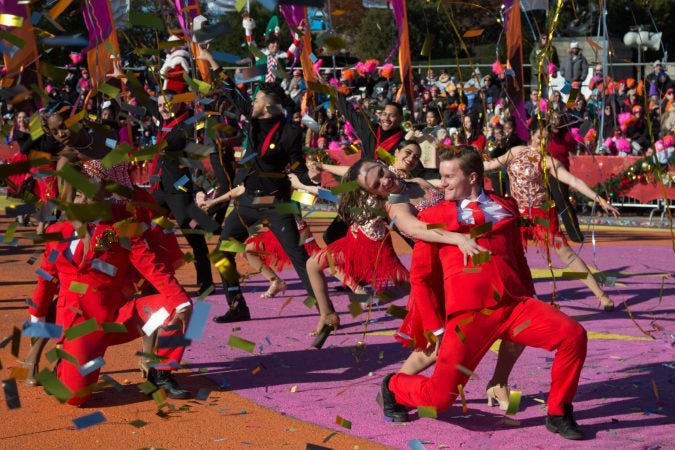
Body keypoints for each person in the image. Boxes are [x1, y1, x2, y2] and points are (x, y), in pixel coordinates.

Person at [382, 147, 589, 440]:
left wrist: (529, 298)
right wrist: (436, 330)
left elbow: (518, 258)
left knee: (573, 335)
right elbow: (422, 278)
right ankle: (393, 385)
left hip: (514, 305)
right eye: (441, 176)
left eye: (449, 176)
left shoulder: (505, 206)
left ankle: (558, 412)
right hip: (468, 319)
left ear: (473, 177)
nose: (442, 184)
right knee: (439, 400)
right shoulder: (434, 215)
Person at [27, 163, 193, 405]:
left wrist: (181, 302)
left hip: (118, 319)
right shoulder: (57, 233)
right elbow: (46, 280)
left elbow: (152, 267)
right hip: (80, 326)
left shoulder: (115, 232)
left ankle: (162, 371)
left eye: (90, 195)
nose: (84, 202)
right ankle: (64, 365)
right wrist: (37, 315)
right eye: (79, 195)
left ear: (104, 195)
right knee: (75, 399)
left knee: (178, 307)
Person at [484, 128, 619, 310]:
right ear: (532, 136)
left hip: (541, 215)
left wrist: (601, 200)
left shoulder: (549, 162)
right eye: (539, 136)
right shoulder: (516, 151)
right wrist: (464, 163)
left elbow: (575, 182)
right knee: (503, 250)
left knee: (565, 253)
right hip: (517, 214)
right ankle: (512, 297)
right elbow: (491, 165)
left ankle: (602, 296)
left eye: (546, 139)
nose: (542, 141)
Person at [150, 92, 220, 297]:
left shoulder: (185, 126)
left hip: (179, 189)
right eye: (161, 104)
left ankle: (206, 282)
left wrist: (202, 105)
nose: (163, 108)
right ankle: (150, 279)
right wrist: (127, 81)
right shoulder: (165, 121)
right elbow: (149, 105)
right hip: (160, 189)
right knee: (142, 224)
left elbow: (199, 144)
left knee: (192, 234)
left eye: (168, 104)